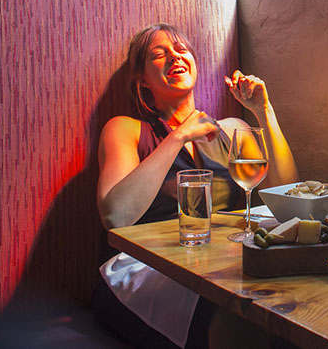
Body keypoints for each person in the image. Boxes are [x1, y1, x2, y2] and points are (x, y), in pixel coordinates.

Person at [93, 23, 298, 348]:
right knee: (232, 307)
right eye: (159, 54)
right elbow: (115, 216)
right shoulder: (125, 129)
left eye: (181, 50)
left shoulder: (231, 130)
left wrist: (263, 111)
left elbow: (289, 199)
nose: (175, 56)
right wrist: (178, 136)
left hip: (218, 262)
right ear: (142, 79)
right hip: (144, 267)